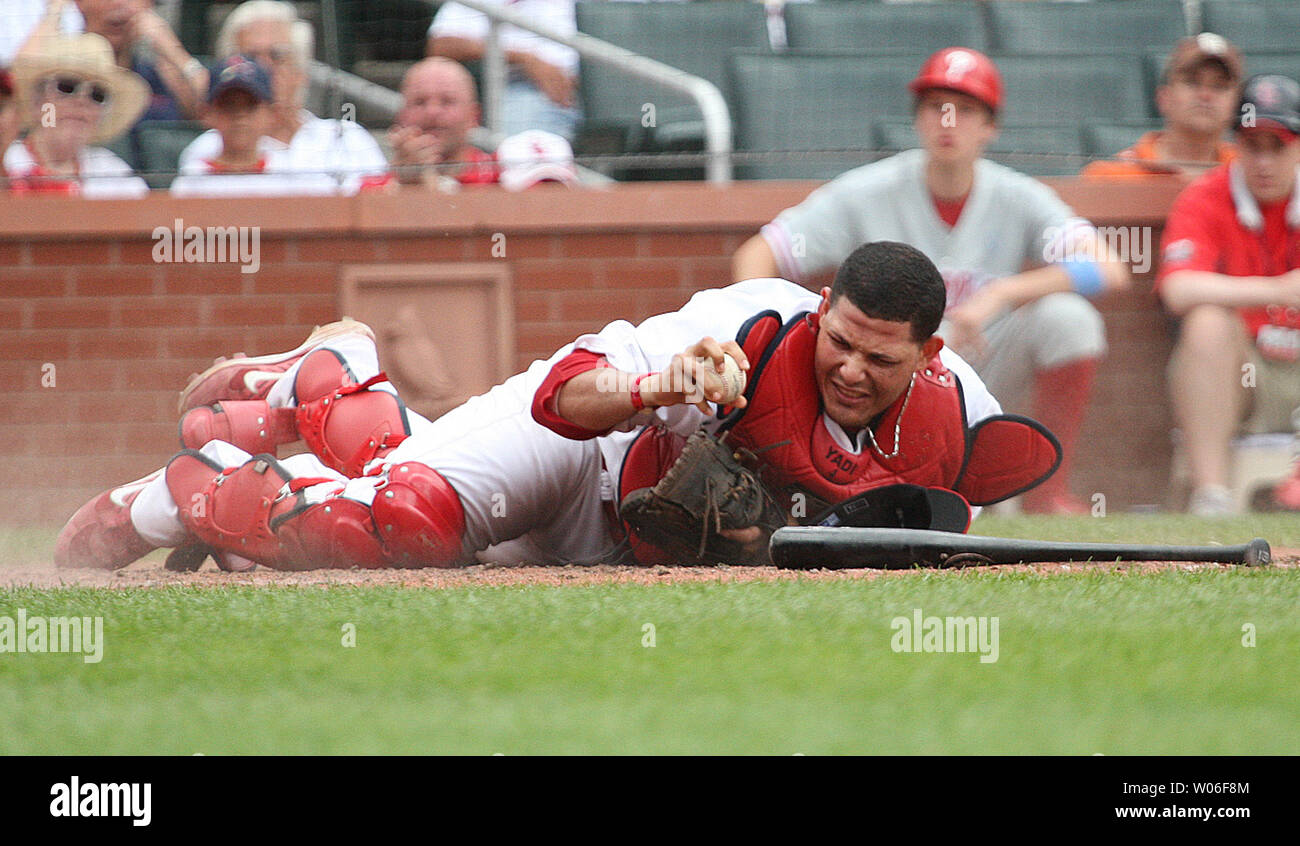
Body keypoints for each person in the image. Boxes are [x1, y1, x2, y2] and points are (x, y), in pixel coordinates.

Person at [54, 241, 1061, 572]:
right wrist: (658, 388)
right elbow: (562, 397)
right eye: (837, 341)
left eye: (877, 361)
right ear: (822, 310)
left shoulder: (953, 410)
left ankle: (333, 376)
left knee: (387, 490)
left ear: (926, 353)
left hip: (619, 547)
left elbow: (944, 519)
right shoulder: (750, 325)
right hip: (584, 456)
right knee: (401, 518)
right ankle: (177, 493)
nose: (848, 368)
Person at [732, 47, 1132, 514]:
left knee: (1071, 321)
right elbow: (759, 252)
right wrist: (755, 327)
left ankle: (1047, 494)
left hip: (982, 361)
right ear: (917, 119)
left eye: (965, 110)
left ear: (991, 126)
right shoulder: (868, 190)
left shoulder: (1017, 195)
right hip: (888, 376)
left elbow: (1109, 269)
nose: (948, 121)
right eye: (934, 107)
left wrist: (1003, 293)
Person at [1157, 74, 1300, 515]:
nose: (1264, 161)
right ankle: (1212, 498)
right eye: (1253, 145)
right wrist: (1279, 290)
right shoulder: (1206, 195)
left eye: (1278, 147)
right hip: (1247, 374)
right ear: (1235, 144)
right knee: (1206, 324)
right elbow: (1178, 289)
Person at [177, 0, 388, 193]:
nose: (264, 68)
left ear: (301, 73)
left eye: (276, 56)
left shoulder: (345, 136)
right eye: (250, 58)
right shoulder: (209, 149)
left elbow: (383, 206)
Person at [4, 32, 149, 197]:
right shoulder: (6, 162)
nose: (82, 101)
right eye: (67, 86)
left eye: (97, 94)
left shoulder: (114, 173)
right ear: (37, 103)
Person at [1081, 33, 1241, 180]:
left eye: (1219, 86)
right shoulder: (1110, 176)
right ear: (1164, 98)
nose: (1205, 95)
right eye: (1192, 82)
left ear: (1236, 104)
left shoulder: (1247, 173)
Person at [169, 54, 334, 196]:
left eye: (251, 105)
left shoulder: (291, 172)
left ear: (272, 114)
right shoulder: (192, 178)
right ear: (207, 113)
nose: (240, 115)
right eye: (229, 105)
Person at [426, 0, 580, 142]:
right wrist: (522, 57)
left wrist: (487, 48)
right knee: (434, 101)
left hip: (530, 91)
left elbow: (558, 77)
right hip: (478, 88)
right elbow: (439, 45)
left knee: (520, 133)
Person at [387, 56, 500, 188]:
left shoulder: (505, 179)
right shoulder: (371, 192)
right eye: (419, 102)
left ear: (474, 116)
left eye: (447, 101)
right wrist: (404, 186)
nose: (432, 111)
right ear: (402, 115)